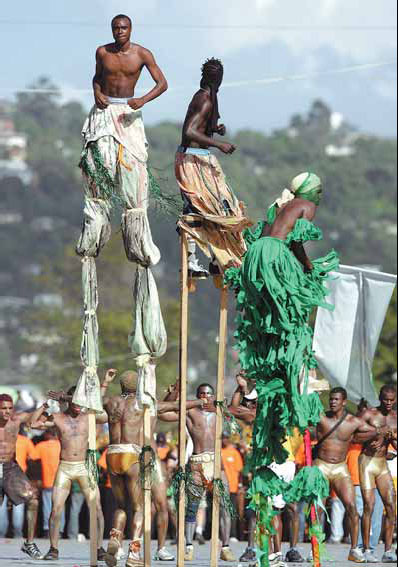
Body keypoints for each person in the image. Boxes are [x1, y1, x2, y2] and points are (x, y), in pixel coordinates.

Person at [100, 370, 211, 567]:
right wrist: (200, 403)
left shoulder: (111, 401)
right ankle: (134, 553)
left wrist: (105, 382)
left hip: (113, 454)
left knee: (121, 506)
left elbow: (91, 400)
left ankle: (115, 540)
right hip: (134, 454)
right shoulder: (145, 404)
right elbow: (175, 406)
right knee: (140, 508)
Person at [176, 58, 251, 279]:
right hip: (192, 162)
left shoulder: (208, 97)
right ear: (218, 78)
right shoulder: (205, 100)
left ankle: (218, 261)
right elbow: (189, 131)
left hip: (201, 159)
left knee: (223, 208)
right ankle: (190, 262)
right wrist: (219, 144)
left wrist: (214, 129)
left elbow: (198, 127)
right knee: (197, 210)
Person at [161, 383, 237, 563]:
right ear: (197, 395)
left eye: (208, 394)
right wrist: (175, 393)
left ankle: (225, 547)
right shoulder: (190, 412)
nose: (205, 397)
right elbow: (163, 412)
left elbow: (238, 409)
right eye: (201, 393)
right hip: (197, 464)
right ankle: (188, 546)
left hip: (216, 464)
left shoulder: (219, 411)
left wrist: (240, 388)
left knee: (225, 506)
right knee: (192, 507)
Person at [33, 385, 108, 562]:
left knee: (96, 508)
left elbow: (104, 415)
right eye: (74, 398)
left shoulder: (89, 416)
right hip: (65, 468)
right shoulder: (58, 418)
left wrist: (71, 398)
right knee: (56, 509)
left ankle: (99, 548)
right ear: (67, 398)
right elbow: (33, 423)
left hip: (84, 467)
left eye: (80, 398)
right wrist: (46, 405)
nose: (77, 403)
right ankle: (53, 549)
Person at [314, 387, 388, 563]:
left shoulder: (353, 421)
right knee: (317, 510)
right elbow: (304, 418)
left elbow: (374, 430)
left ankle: (354, 550)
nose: (332, 402)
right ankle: (315, 548)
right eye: (331, 399)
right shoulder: (321, 417)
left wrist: (368, 437)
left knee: (352, 508)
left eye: (336, 399)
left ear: (344, 402)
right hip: (321, 466)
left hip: (340, 468)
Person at [0, 393, 47, 559]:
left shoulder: (16, 419)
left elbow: (31, 418)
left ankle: (29, 543)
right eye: (3, 408)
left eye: (9, 408)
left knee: (33, 499)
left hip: (10, 468)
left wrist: (45, 406)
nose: (7, 411)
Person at [358, 384, 397, 563]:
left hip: (382, 464)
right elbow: (352, 436)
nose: (388, 403)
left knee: (390, 505)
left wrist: (391, 437)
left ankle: (388, 551)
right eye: (385, 400)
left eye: (392, 400)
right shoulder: (369, 414)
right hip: (366, 461)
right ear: (380, 399)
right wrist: (375, 433)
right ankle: (366, 550)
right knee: (369, 505)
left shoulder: (396, 418)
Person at [0, 424, 37, 539]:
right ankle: (17, 534)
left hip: (2, 470)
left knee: (1, 506)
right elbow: (33, 458)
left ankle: (1, 534)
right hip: (18, 475)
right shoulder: (25, 441)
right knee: (19, 505)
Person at [34, 428, 64, 538]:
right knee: (60, 506)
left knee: (48, 505)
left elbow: (32, 457)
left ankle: (47, 529)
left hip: (47, 481)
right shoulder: (61, 445)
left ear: (47, 434)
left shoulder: (41, 446)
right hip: (61, 481)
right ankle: (59, 530)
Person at [221, 433, 244, 541]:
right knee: (220, 511)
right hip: (220, 487)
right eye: (222, 438)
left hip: (232, 487)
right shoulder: (218, 451)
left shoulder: (234, 453)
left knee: (232, 512)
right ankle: (220, 535)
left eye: (226, 438)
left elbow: (240, 470)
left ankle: (233, 534)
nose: (224, 440)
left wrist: (239, 485)